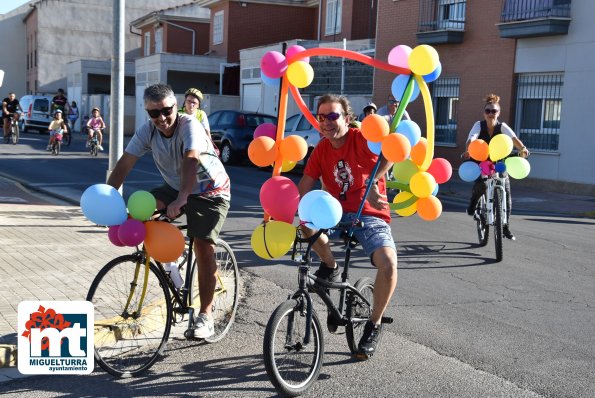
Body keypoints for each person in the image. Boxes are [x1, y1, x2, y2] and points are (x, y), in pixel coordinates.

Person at [106, 83, 231, 339]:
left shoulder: (189, 125)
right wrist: (107, 198)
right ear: (147, 113)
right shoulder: (148, 131)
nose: (161, 118)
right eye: (154, 113)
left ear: (176, 106)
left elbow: (191, 159)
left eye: (166, 110)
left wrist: (183, 197)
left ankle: (205, 316)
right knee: (138, 214)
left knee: (203, 246)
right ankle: (172, 262)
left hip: (210, 191)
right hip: (176, 187)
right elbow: (125, 163)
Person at [297, 94, 398, 360]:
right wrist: (291, 211)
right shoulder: (321, 148)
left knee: (388, 264)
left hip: (368, 213)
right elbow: (306, 186)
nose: (327, 122)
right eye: (322, 117)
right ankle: (330, 266)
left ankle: (373, 324)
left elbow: (390, 152)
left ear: (347, 118)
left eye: (333, 116)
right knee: (306, 224)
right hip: (336, 214)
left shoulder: (361, 137)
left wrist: (373, 182)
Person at [461, 93, 530, 240]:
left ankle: (505, 227)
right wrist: (468, 150)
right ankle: (473, 204)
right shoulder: (478, 125)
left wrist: (522, 148)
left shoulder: (502, 127)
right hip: (482, 160)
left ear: (498, 113)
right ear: (484, 113)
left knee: (506, 191)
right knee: (481, 185)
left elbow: (514, 139)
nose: (491, 114)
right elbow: (472, 138)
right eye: (488, 111)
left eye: (494, 111)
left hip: (499, 162)